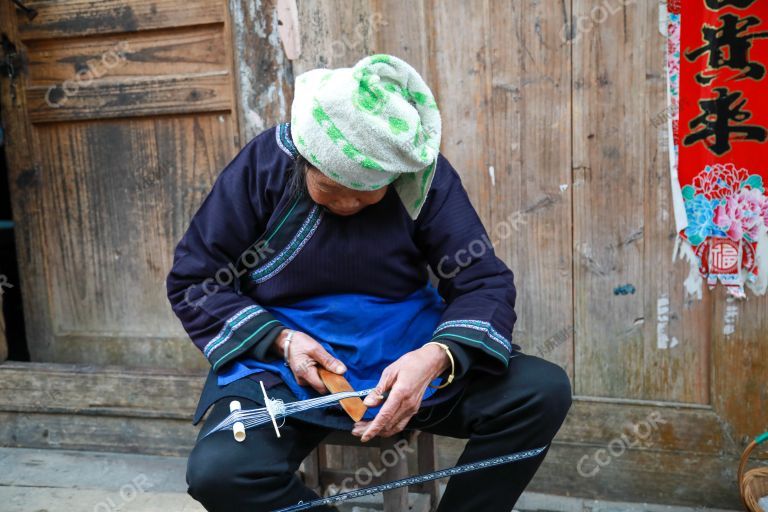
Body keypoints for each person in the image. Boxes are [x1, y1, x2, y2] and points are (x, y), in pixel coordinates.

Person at [166, 53, 572, 512]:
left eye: (366, 193)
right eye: (331, 190)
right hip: (285, 360)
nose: (348, 205)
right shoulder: (266, 164)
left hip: (400, 348)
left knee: (542, 391)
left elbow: (483, 281)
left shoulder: (421, 177)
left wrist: (436, 357)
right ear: (305, 158)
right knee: (221, 474)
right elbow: (195, 280)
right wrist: (280, 341)